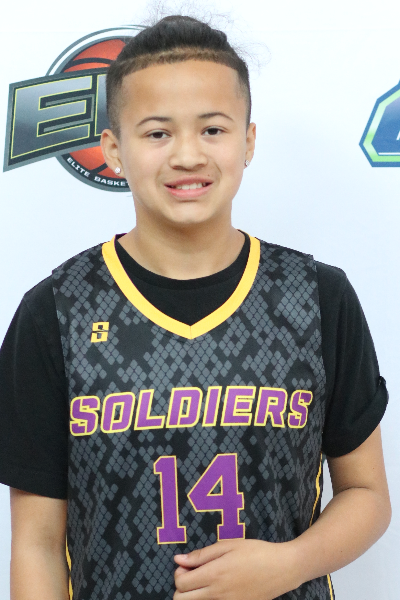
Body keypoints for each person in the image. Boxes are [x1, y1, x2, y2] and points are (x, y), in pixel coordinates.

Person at [0, 15, 391, 600]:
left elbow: (368, 495)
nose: (187, 155)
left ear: (248, 141)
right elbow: (35, 542)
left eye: (212, 129)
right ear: (113, 149)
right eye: (157, 133)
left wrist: (290, 563)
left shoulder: (316, 297)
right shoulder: (57, 312)